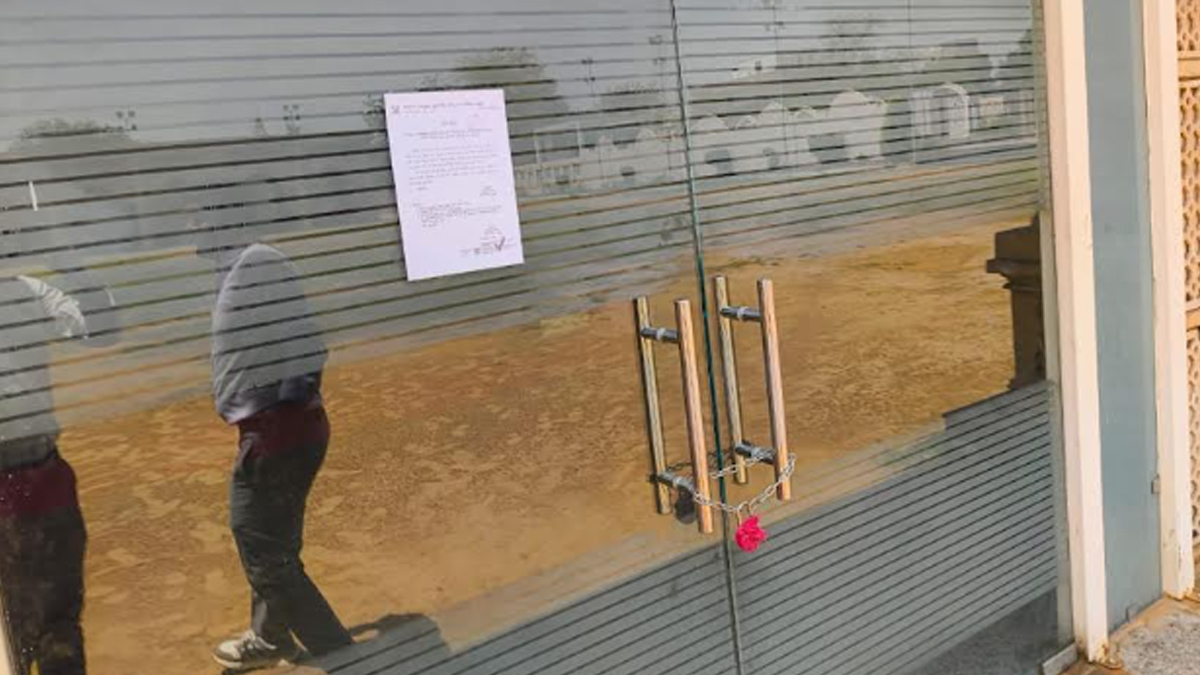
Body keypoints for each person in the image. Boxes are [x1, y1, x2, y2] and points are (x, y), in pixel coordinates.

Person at [190, 182, 352, 671]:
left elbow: (308, 343)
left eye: (202, 219)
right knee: (272, 543)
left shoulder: (258, 264)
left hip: (278, 432)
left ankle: (340, 653)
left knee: (260, 544)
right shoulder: (239, 269)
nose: (194, 229)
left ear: (226, 222)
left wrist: (283, 411)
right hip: (273, 429)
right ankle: (270, 636)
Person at [0, 269, 118, 675]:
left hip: (38, 483)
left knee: (53, 632)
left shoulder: (25, 290)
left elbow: (98, 329)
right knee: (42, 633)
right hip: (38, 479)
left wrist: (74, 264)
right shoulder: (25, 290)